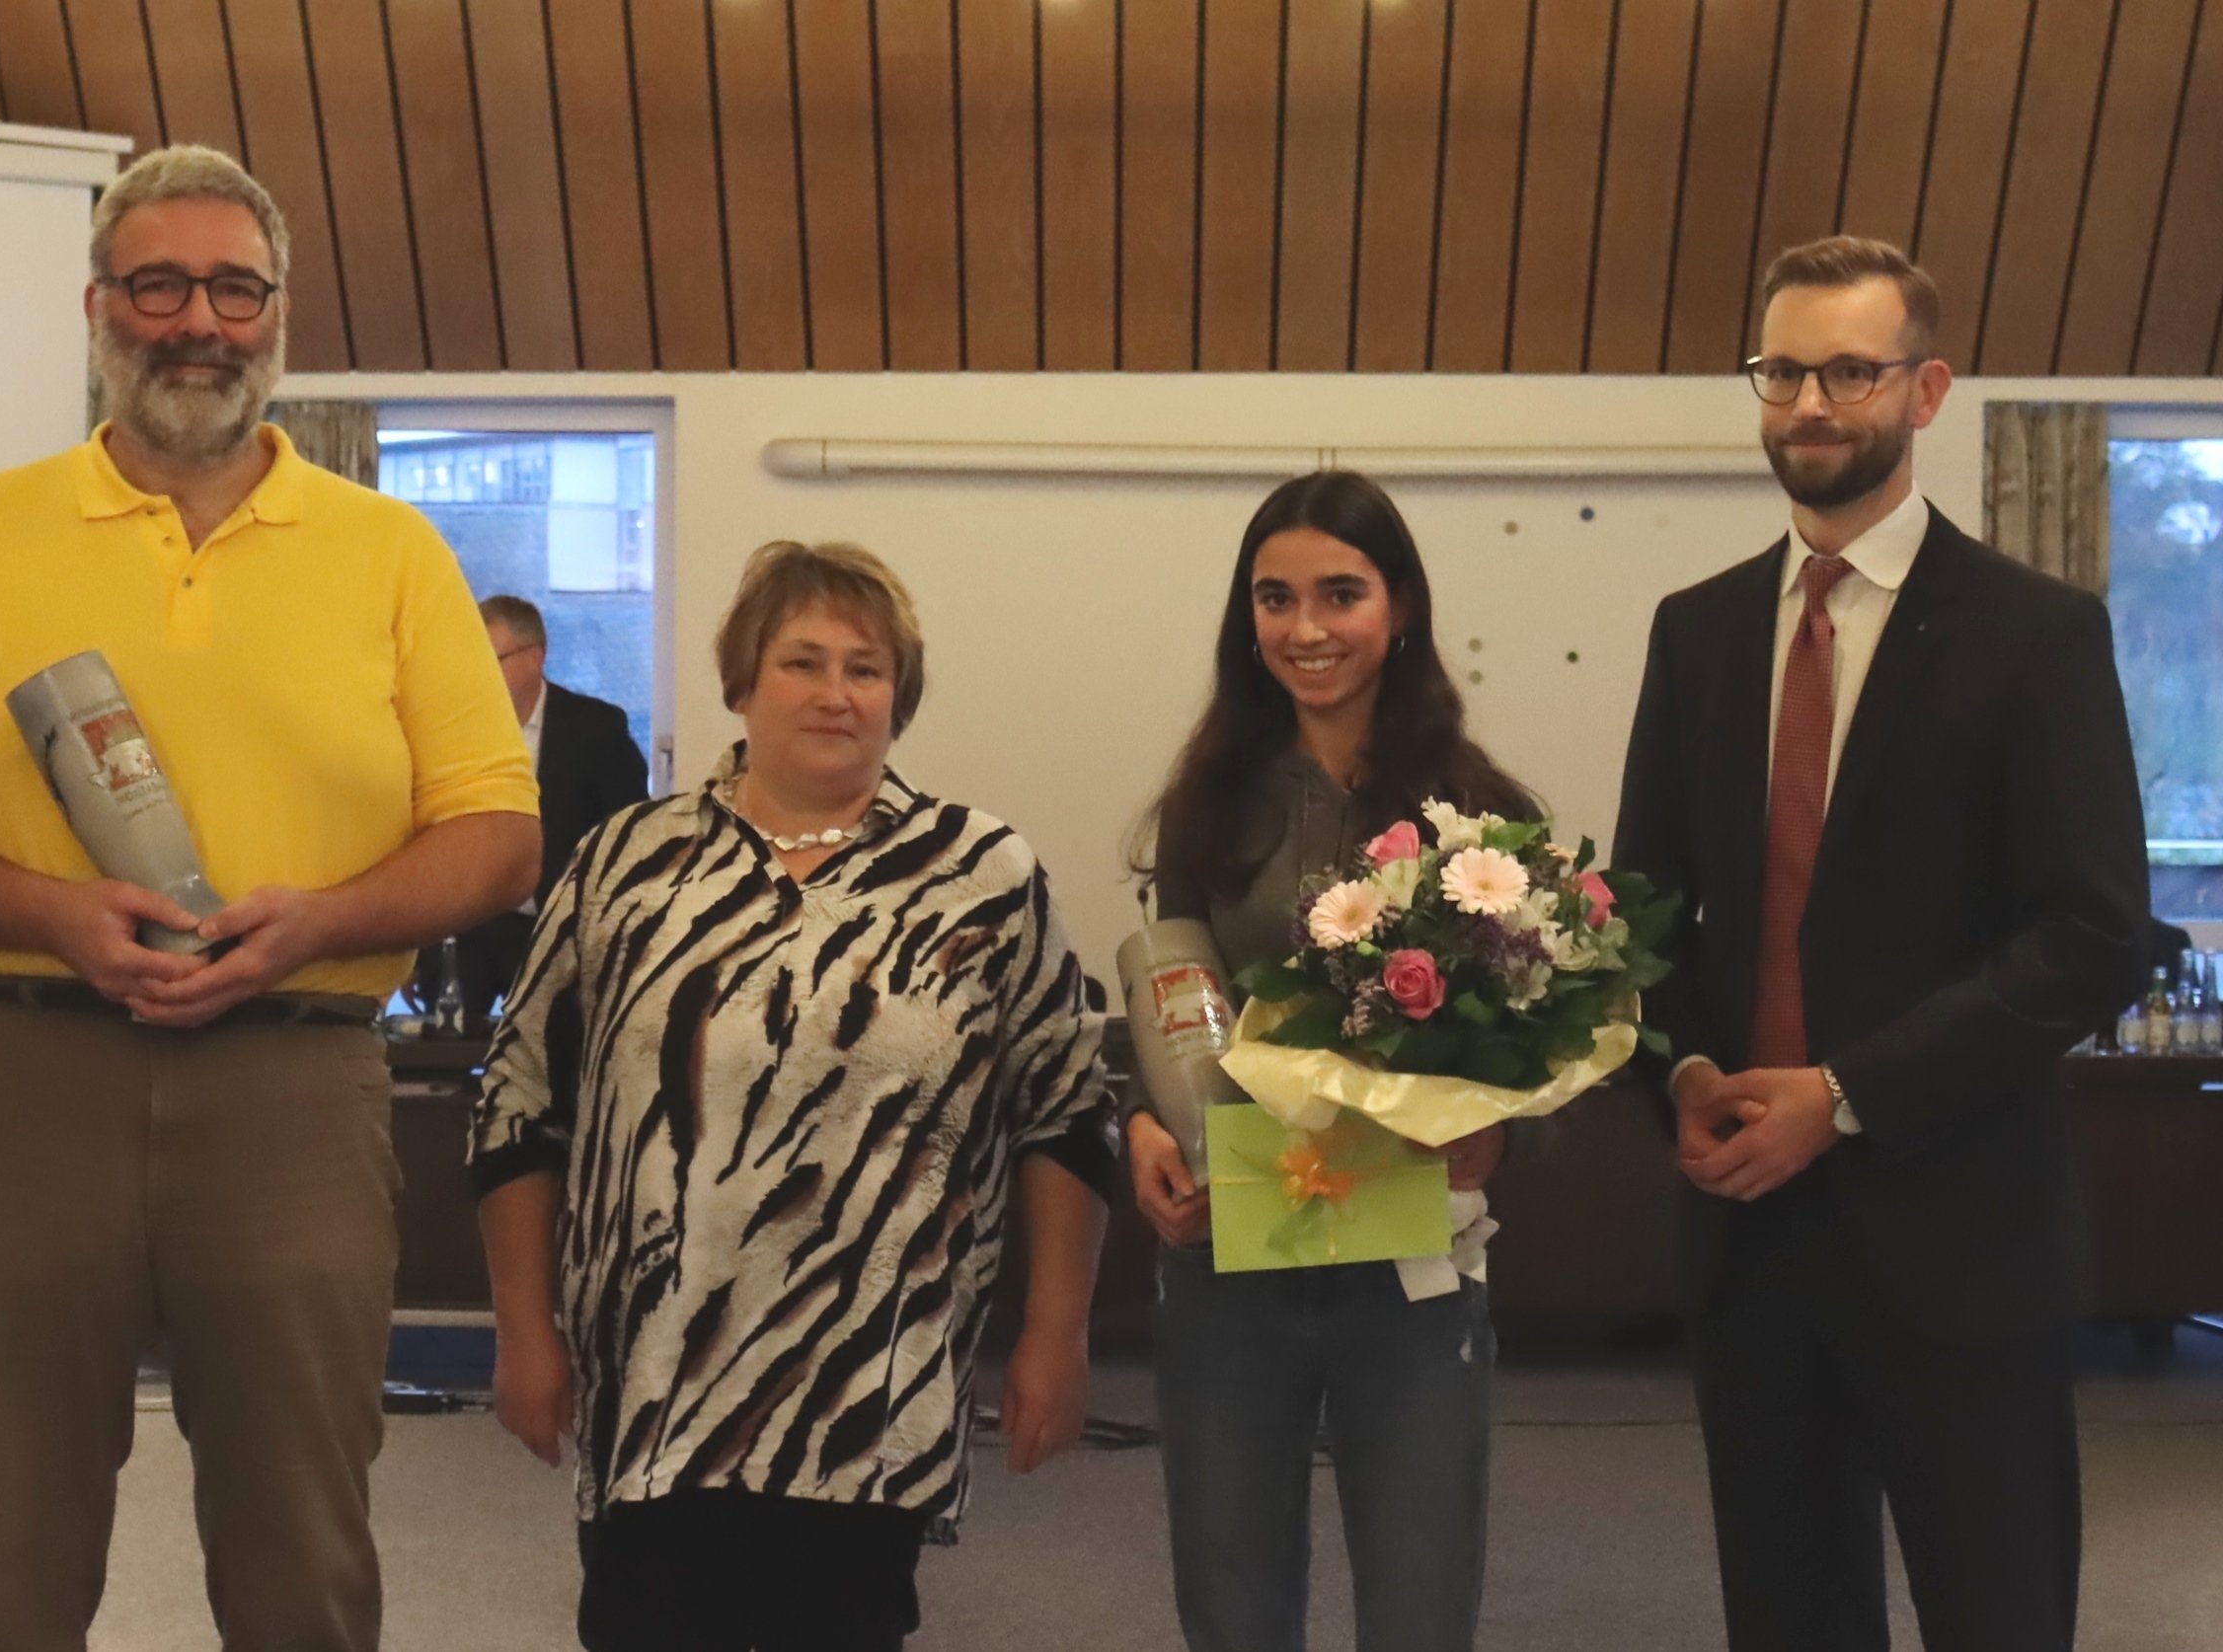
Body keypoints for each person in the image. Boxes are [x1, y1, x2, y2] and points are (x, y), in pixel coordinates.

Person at [0, 143, 539, 1652]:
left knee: (303, 1559)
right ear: (98, 307)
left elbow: (496, 835)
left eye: (233, 288)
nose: (197, 320)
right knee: (4, 1561)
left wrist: (318, 921)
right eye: (159, 284)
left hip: (295, 1078)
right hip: (26, 1070)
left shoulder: (391, 552)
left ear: (277, 316)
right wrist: (52, 910)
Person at [1611, 236, 2150, 1652]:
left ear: (1925, 389)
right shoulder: (1698, 633)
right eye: (1781, 368)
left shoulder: (2036, 636)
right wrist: (1677, 1079)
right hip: (1750, 1243)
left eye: (1849, 369)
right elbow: (1641, 919)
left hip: (1960, 1242)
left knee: (1997, 1614)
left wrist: (1843, 1095)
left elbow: (2092, 933)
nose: (1809, 403)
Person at [471, 541, 1115, 1652]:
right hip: (654, 1385)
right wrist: (524, 1330)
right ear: (741, 682)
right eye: (802, 662)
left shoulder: (983, 873)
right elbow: (518, 1103)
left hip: (872, 1389)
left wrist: (1056, 1334)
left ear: (898, 698)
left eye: (865, 669)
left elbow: (1065, 1109)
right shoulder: (628, 862)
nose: (834, 693)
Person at [1123, 472, 1537, 1652]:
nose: (1304, 630)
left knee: (1418, 1605)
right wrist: (1146, 1134)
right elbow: (1173, 1016)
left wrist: (1503, 1133)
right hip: (1231, 1259)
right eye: (1274, 598)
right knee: (1232, 1603)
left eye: (1338, 594)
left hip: (1410, 1267)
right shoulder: (1204, 807)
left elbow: (1543, 1047)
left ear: (1397, 605)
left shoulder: (1480, 817)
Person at [428, 595, 651, 1021]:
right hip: (472, 926)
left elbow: (628, 838)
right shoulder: (455, 730)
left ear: (534, 658)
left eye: (491, 658)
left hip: (558, 928)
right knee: (441, 1054)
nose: (477, 674)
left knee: (553, 1060)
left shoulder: (595, 728)